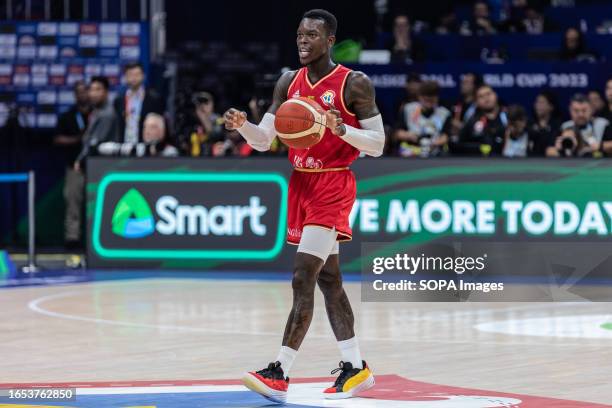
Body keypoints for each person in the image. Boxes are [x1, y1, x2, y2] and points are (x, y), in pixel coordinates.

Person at [223, 9, 384, 403]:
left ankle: (279, 370)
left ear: (330, 40)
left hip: (333, 181)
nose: (302, 41)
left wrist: (340, 128)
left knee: (302, 276)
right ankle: (355, 368)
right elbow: (264, 140)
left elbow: (378, 144)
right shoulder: (287, 82)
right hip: (301, 184)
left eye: (312, 35)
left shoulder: (353, 83)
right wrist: (244, 124)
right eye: (299, 34)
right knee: (329, 281)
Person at [53, 81, 90, 248]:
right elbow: (57, 139)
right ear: (75, 95)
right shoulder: (68, 116)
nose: (82, 95)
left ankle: (94, 237)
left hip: (97, 166)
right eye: (79, 92)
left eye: (85, 91)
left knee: (96, 201)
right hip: (74, 166)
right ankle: (72, 238)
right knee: (72, 202)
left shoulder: (96, 114)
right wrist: (77, 139)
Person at [393, 80, 451, 157]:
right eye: (426, 100)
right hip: (411, 150)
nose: (429, 104)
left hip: (434, 151)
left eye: (432, 100)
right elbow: (398, 133)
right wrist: (409, 136)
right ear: (419, 97)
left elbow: (446, 136)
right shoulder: (408, 109)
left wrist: (434, 143)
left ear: (437, 98)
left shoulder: (444, 113)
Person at [74, 76, 121, 169]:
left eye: (98, 89)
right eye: (91, 89)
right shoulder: (97, 110)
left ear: (106, 92)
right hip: (97, 163)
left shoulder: (107, 114)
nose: (93, 93)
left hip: (104, 164)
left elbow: (95, 142)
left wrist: (81, 159)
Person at [113, 62, 163, 144]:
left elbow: (159, 124)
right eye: (130, 75)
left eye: (137, 74)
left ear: (143, 76)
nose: (133, 78)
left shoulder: (154, 98)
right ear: (125, 77)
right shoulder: (119, 100)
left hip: (146, 145)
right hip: (124, 144)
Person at [453, 84, 507, 156]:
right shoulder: (471, 122)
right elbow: (459, 145)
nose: (486, 98)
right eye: (481, 96)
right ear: (476, 102)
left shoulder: (508, 118)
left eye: (488, 94)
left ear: (495, 95)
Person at [97, 113, 179, 157]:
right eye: (145, 127)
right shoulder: (140, 149)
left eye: (152, 127)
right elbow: (103, 148)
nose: (147, 131)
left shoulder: (170, 152)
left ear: (163, 131)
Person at [529, 91, 561, 157]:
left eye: (542, 103)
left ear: (551, 107)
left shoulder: (557, 125)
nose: (538, 106)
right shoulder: (529, 124)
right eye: (537, 102)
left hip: (550, 162)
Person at [451, 72, 482, 136]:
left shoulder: (480, 106)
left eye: (467, 82)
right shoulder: (455, 103)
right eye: (463, 82)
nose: (463, 84)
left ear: (475, 85)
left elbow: (480, 128)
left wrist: (462, 127)